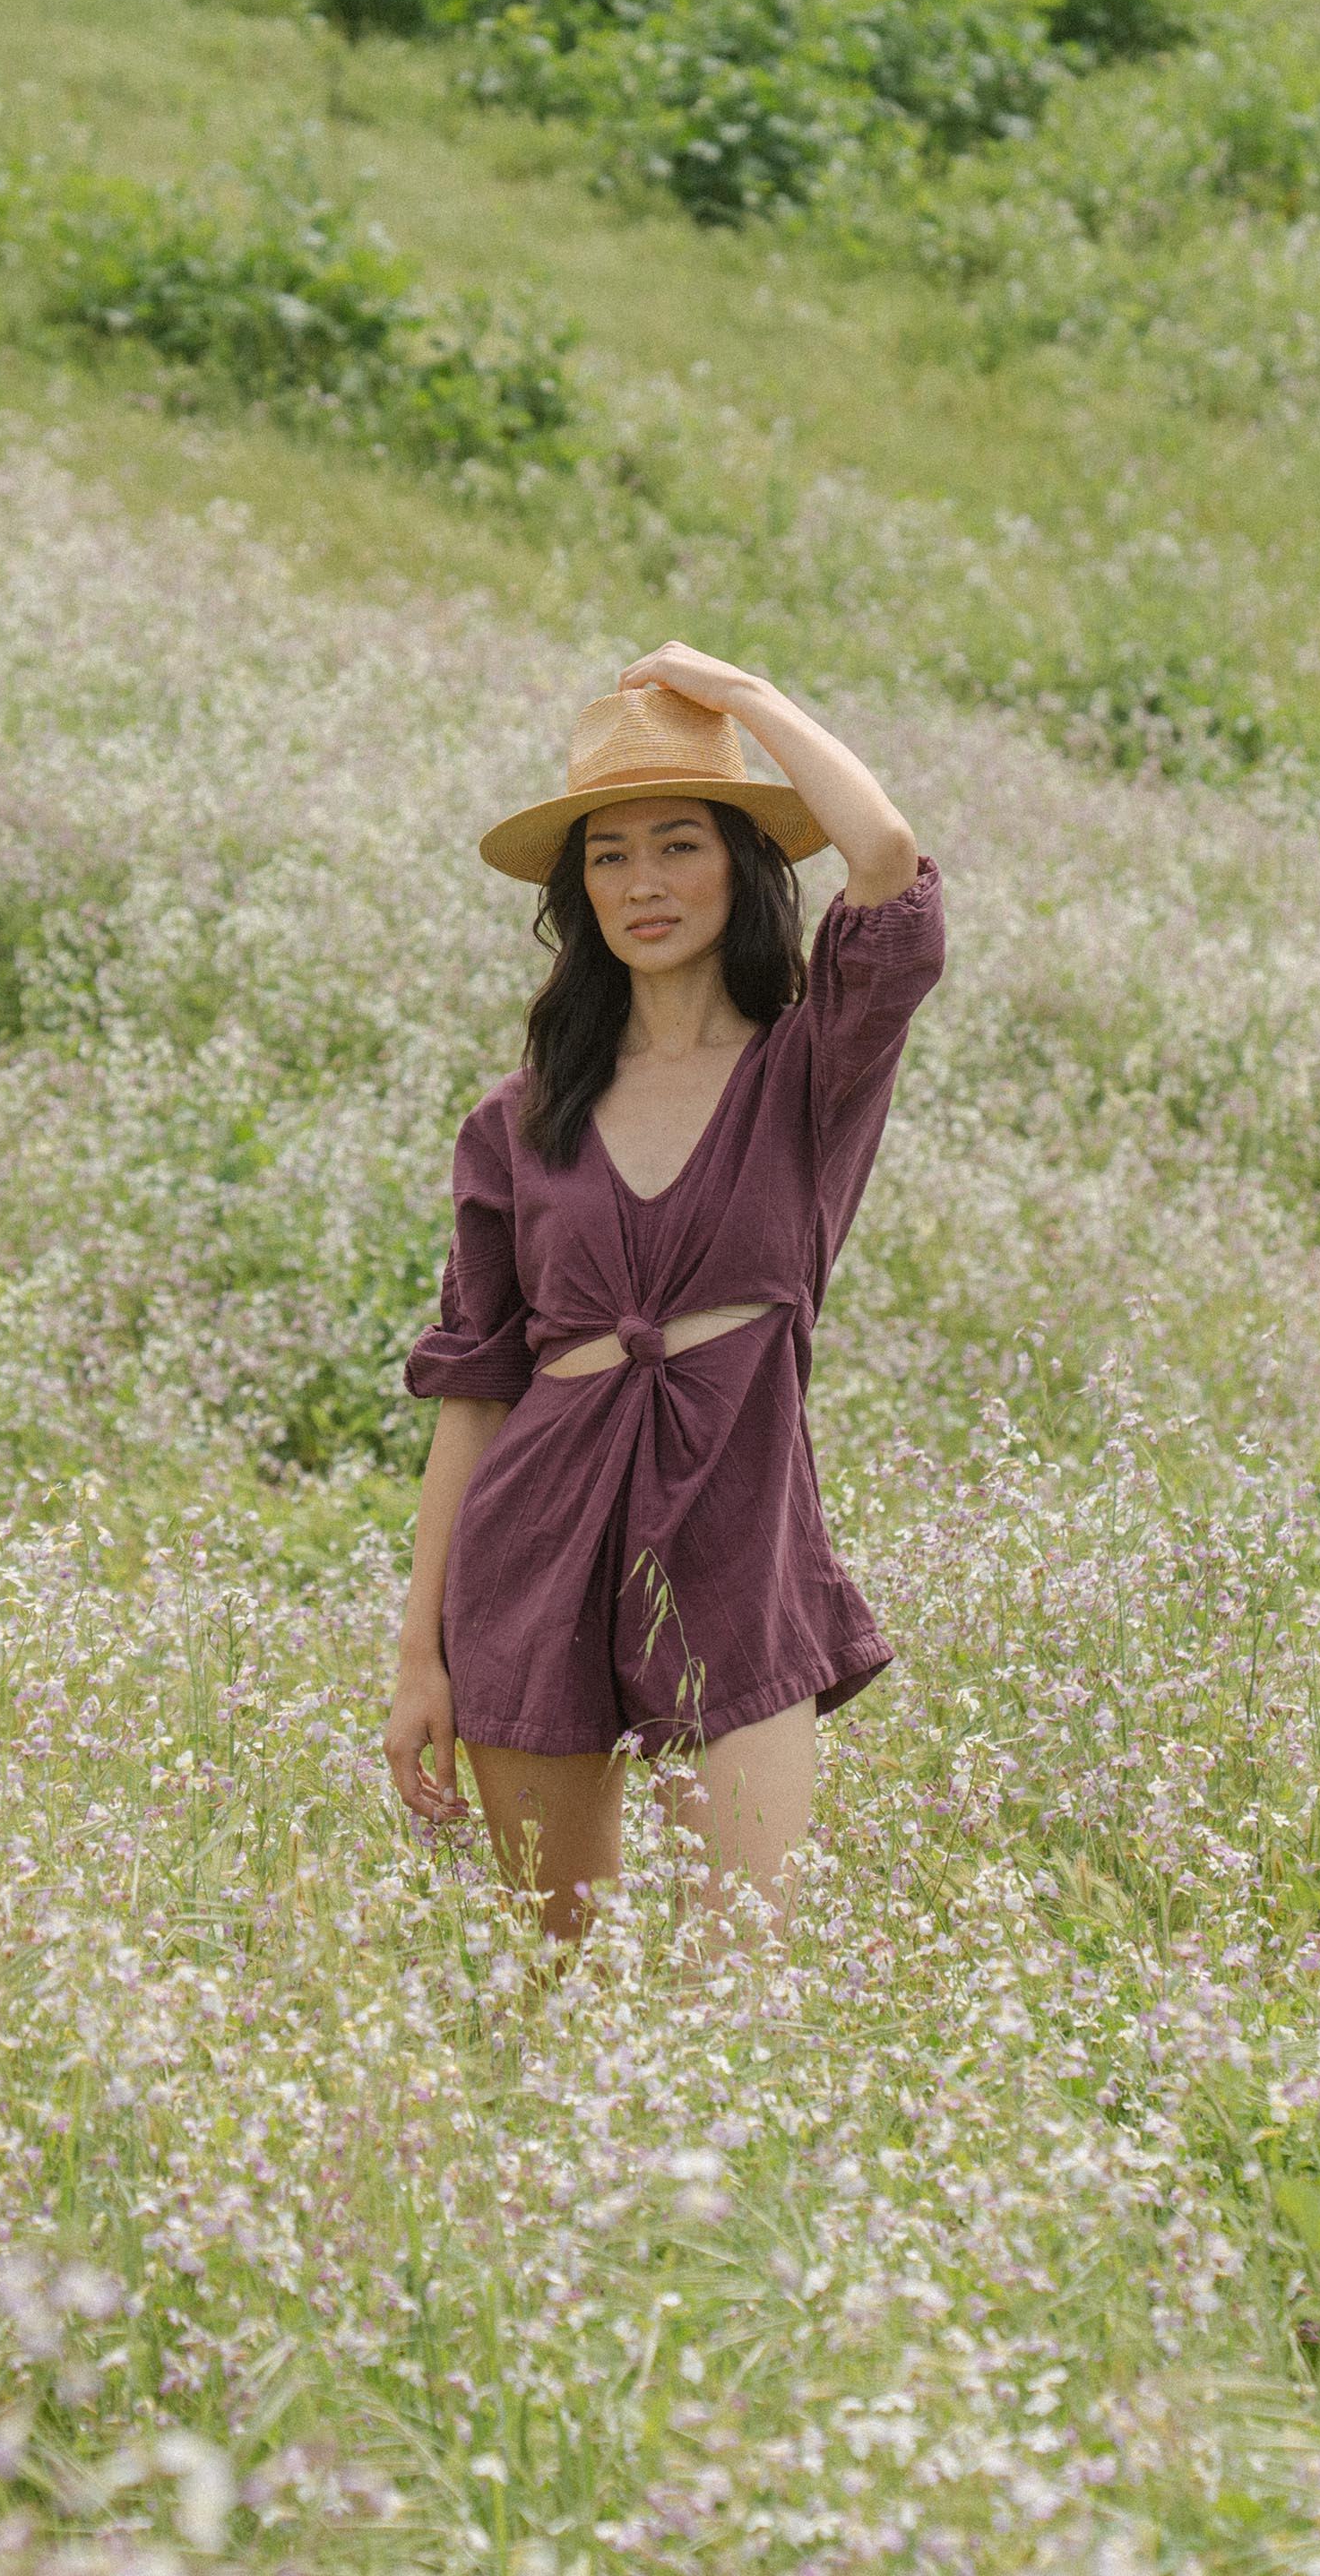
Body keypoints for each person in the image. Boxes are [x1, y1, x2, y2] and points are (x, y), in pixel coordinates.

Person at [384, 642, 944, 1949]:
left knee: (739, 1968)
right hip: (532, 1542)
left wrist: (743, 697)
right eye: (609, 854)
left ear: (744, 866)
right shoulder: (517, 1124)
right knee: (552, 1978)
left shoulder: (814, 1068)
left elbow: (888, 863)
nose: (643, 882)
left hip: (738, 1536)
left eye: (680, 842)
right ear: (578, 894)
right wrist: (420, 1660)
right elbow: (473, 1393)